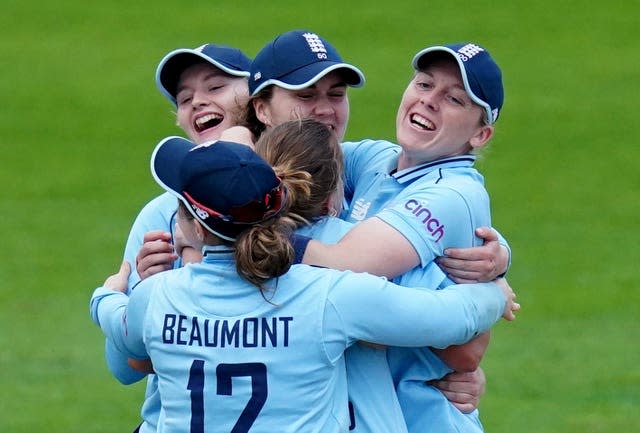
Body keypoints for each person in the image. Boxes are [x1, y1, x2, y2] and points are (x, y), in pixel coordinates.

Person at [90, 134, 519, 433]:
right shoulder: (326, 294)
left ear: (196, 231)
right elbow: (452, 320)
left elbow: (119, 326)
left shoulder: (157, 297)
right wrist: (493, 288)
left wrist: (106, 293)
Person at [299, 42, 509, 432]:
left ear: (481, 135)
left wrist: (263, 248)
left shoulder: (454, 194)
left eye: (455, 99)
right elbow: (290, 161)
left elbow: (354, 265)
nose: (430, 101)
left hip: (424, 419)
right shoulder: (376, 159)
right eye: (425, 84)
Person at [104, 42, 252, 433]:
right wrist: (147, 294)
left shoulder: (287, 197)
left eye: (216, 87)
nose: (198, 102)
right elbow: (125, 367)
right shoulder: (158, 214)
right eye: (185, 98)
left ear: (259, 99)